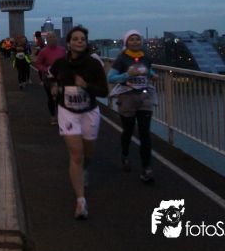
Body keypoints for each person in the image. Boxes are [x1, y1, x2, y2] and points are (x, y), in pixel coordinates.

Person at [50, 26, 108, 219]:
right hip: (67, 111)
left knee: (87, 154)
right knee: (76, 153)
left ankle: (85, 169)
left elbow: (104, 91)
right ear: (68, 43)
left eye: (82, 39)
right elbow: (50, 77)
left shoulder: (94, 64)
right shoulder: (61, 64)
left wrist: (86, 86)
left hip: (89, 111)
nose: (79, 42)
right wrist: (54, 87)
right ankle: (81, 201)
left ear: (86, 42)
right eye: (75, 39)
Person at [108, 30, 157, 183]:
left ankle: (146, 168)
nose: (135, 41)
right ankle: (125, 154)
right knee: (128, 130)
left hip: (144, 97)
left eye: (137, 39)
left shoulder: (146, 57)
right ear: (126, 42)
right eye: (132, 39)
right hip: (127, 97)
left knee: (145, 133)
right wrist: (127, 74)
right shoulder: (122, 59)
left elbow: (147, 69)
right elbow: (111, 78)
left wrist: (152, 74)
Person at [34, 32, 66, 125]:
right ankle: (53, 116)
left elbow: (66, 61)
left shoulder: (62, 50)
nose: (52, 39)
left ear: (57, 38)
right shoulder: (43, 51)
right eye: (50, 37)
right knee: (51, 97)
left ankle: (60, 116)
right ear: (47, 40)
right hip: (49, 78)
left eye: (54, 37)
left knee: (61, 98)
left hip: (60, 77)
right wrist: (46, 69)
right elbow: (38, 63)